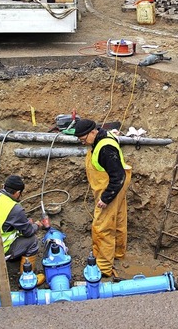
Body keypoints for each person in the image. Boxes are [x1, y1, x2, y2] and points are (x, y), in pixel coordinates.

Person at [69, 118, 132, 281]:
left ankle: (104, 267)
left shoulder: (105, 148)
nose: (83, 143)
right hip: (115, 185)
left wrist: (106, 198)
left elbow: (117, 176)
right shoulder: (100, 139)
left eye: (84, 139)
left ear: (93, 132)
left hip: (113, 187)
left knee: (101, 227)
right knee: (118, 220)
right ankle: (117, 253)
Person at [0, 175, 45, 285]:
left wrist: (22, 222)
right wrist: (37, 225)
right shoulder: (15, 209)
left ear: (4, 186)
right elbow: (28, 232)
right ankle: (27, 279)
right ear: (17, 192)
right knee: (32, 241)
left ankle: (15, 259)